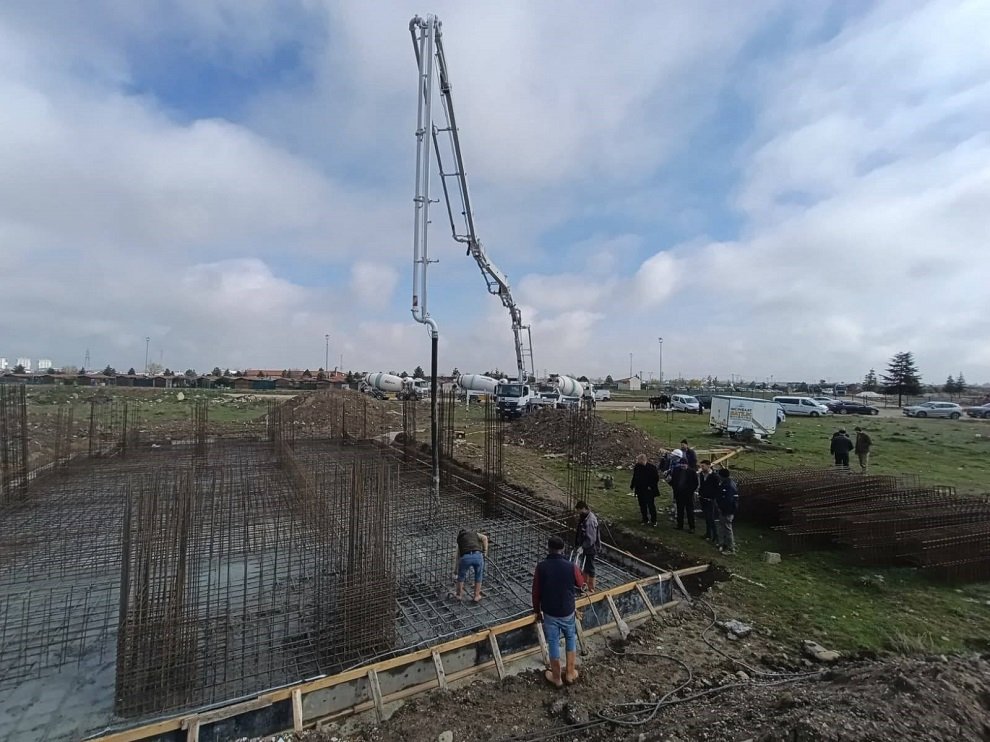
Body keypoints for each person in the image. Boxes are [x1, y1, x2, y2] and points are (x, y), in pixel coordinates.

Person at [532, 535, 586, 687]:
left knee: (553, 642)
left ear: (548, 548)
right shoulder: (571, 567)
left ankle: (556, 678)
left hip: (549, 611)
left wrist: (537, 611)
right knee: (570, 638)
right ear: (563, 550)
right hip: (567, 610)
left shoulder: (541, 567)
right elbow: (581, 584)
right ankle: (569, 673)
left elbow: (536, 592)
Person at [453, 529, 489, 603]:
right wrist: (485, 552)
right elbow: (485, 538)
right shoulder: (475, 534)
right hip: (478, 556)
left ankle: (459, 595)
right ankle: (476, 596)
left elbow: (458, 557)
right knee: (478, 576)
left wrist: (456, 571)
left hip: (466, 558)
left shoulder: (460, 540)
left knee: (461, 576)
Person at [573, 501, 601, 592]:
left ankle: (591, 588)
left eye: (579, 510)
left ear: (584, 508)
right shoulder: (584, 517)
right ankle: (583, 584)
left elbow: (591, 539)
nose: (578, 512)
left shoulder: (590, 521)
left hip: (591, 548)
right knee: (585, 566)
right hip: (585, 547)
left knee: (590, 567)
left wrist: (583, 547)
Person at [630, 454, 660, 526]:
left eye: (640, 461)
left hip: (649, 490)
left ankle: (654, 520)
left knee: (650, 505)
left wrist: (651, 486)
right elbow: (635, 476)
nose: (639, 462)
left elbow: (656, 478)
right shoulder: (637, 467)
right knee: (642, 505)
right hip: (640, 489)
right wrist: (632, 485)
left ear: (644, 460)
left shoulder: (652, 468)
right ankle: (645, 519)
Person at [715, 468, 738, 554]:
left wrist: (723, 509)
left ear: (722, 476)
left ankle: (731, 548)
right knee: (722, 527)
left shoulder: (729, 486)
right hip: (724, 510)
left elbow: (728, 500)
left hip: (727, 511)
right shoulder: (726, 483)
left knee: (728, 528)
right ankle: (723, 544)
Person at [672, 457, 698, 533]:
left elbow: (695, 484)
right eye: (681, 464)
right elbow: (674, 481)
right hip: (679, 494)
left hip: (688, 495)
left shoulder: (692, 472)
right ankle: (680, 525)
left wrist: (690, 491)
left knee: (689, 511)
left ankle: (692, 527)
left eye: (684, 465)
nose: (682, 466)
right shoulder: (676, 470)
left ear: (687, 464)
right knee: (680, 510)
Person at [697, 459, 721, 542]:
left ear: (708, 465)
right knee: (706, 518)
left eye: (703, 466)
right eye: (701, 466)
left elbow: (717, 489)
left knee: (711, 518)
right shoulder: (701, 475)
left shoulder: (715, 476)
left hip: (710, 500)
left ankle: (715, 536)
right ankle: (708, 534)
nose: (701, 468)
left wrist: (713, 497)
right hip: (703, 498)